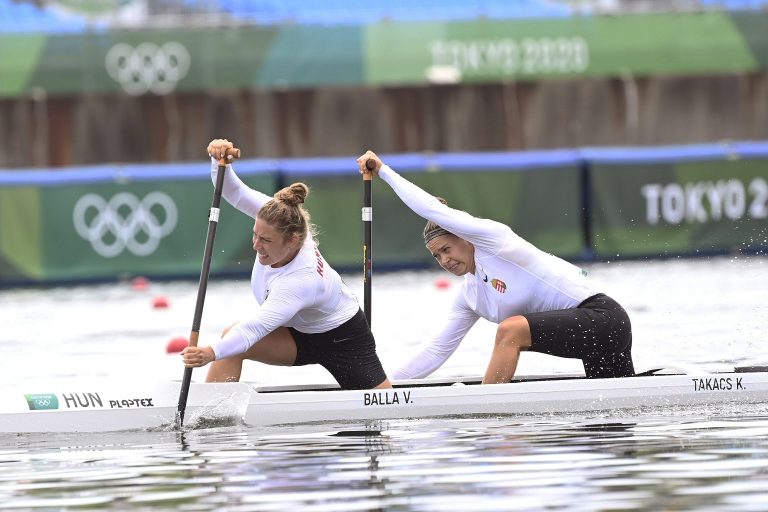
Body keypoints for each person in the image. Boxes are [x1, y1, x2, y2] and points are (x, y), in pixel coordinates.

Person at [356, 150, 634, 384]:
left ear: (466, 238)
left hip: (605, 320)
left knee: (509, 331)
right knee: (610, 425)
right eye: (436, 256)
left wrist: (384, 172)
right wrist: (382, 386)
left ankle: (490, 413)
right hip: (586, 339)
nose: (444, 261)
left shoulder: (494, 241)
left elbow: (430, 209)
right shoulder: (469, 297)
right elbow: (437, 351)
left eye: (446, 249)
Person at [181, 139, 391, 390]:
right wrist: (218, 160)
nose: (256, 245)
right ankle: (209, 413)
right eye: (255, 235)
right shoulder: (276, 215)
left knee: (382, 411)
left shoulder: (300, 280)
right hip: (298, 336)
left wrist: (209, 352)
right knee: (231, 344)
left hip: (344, 339)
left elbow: (255, 327)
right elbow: (234, 192)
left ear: (292, 241)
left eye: (266, 240)